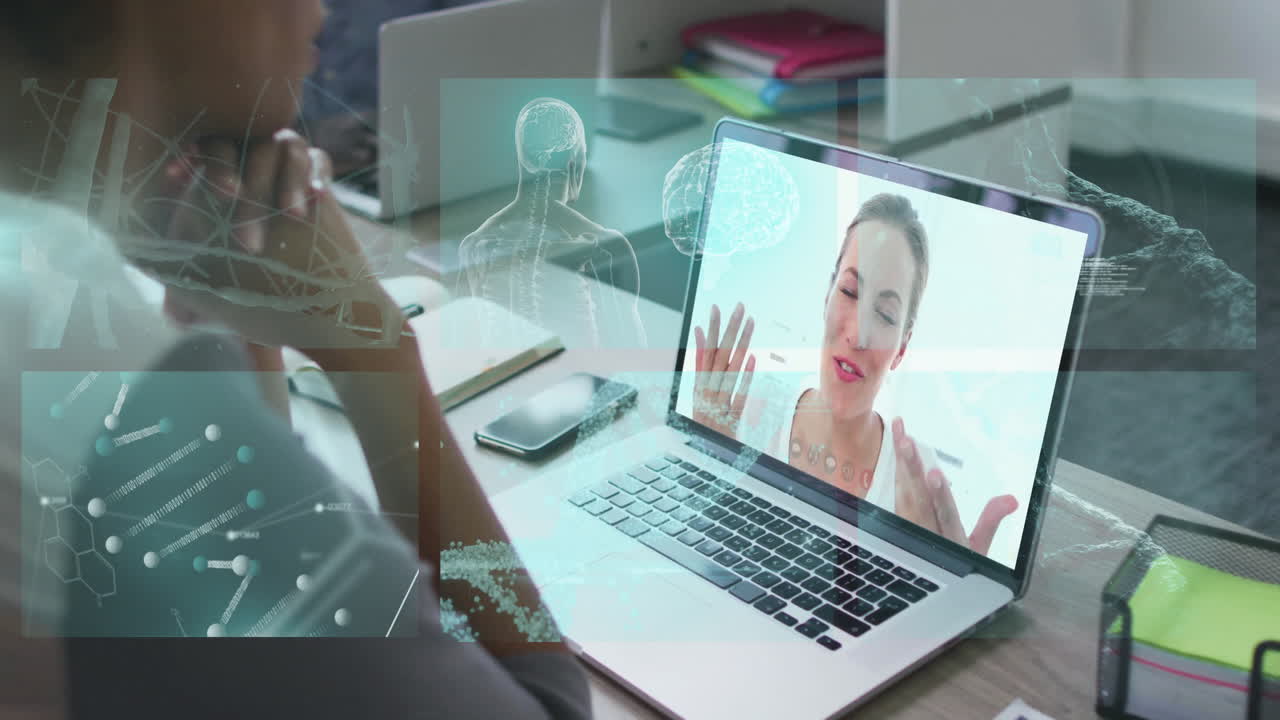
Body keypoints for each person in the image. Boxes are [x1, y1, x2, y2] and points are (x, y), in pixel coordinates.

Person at [0, 2, 589, 718]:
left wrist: (224, 297)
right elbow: (548, 706)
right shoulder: (113, 400)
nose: (321, 4)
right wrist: (371, 346)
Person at [691, 193, 1018, 556]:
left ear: (902, 349)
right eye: (849, 292)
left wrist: (948, 576)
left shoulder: (916, 482)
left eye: (885, 315)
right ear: (826, 297)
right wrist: (705, 467)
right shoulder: (745, 418)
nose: (859, 334)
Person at [457, 97, 647, 349]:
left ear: (522, 157)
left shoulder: (475, 244)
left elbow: (460, 343)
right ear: (577, 164)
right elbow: (633, 355)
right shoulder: (605, 247)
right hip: (579, 382)